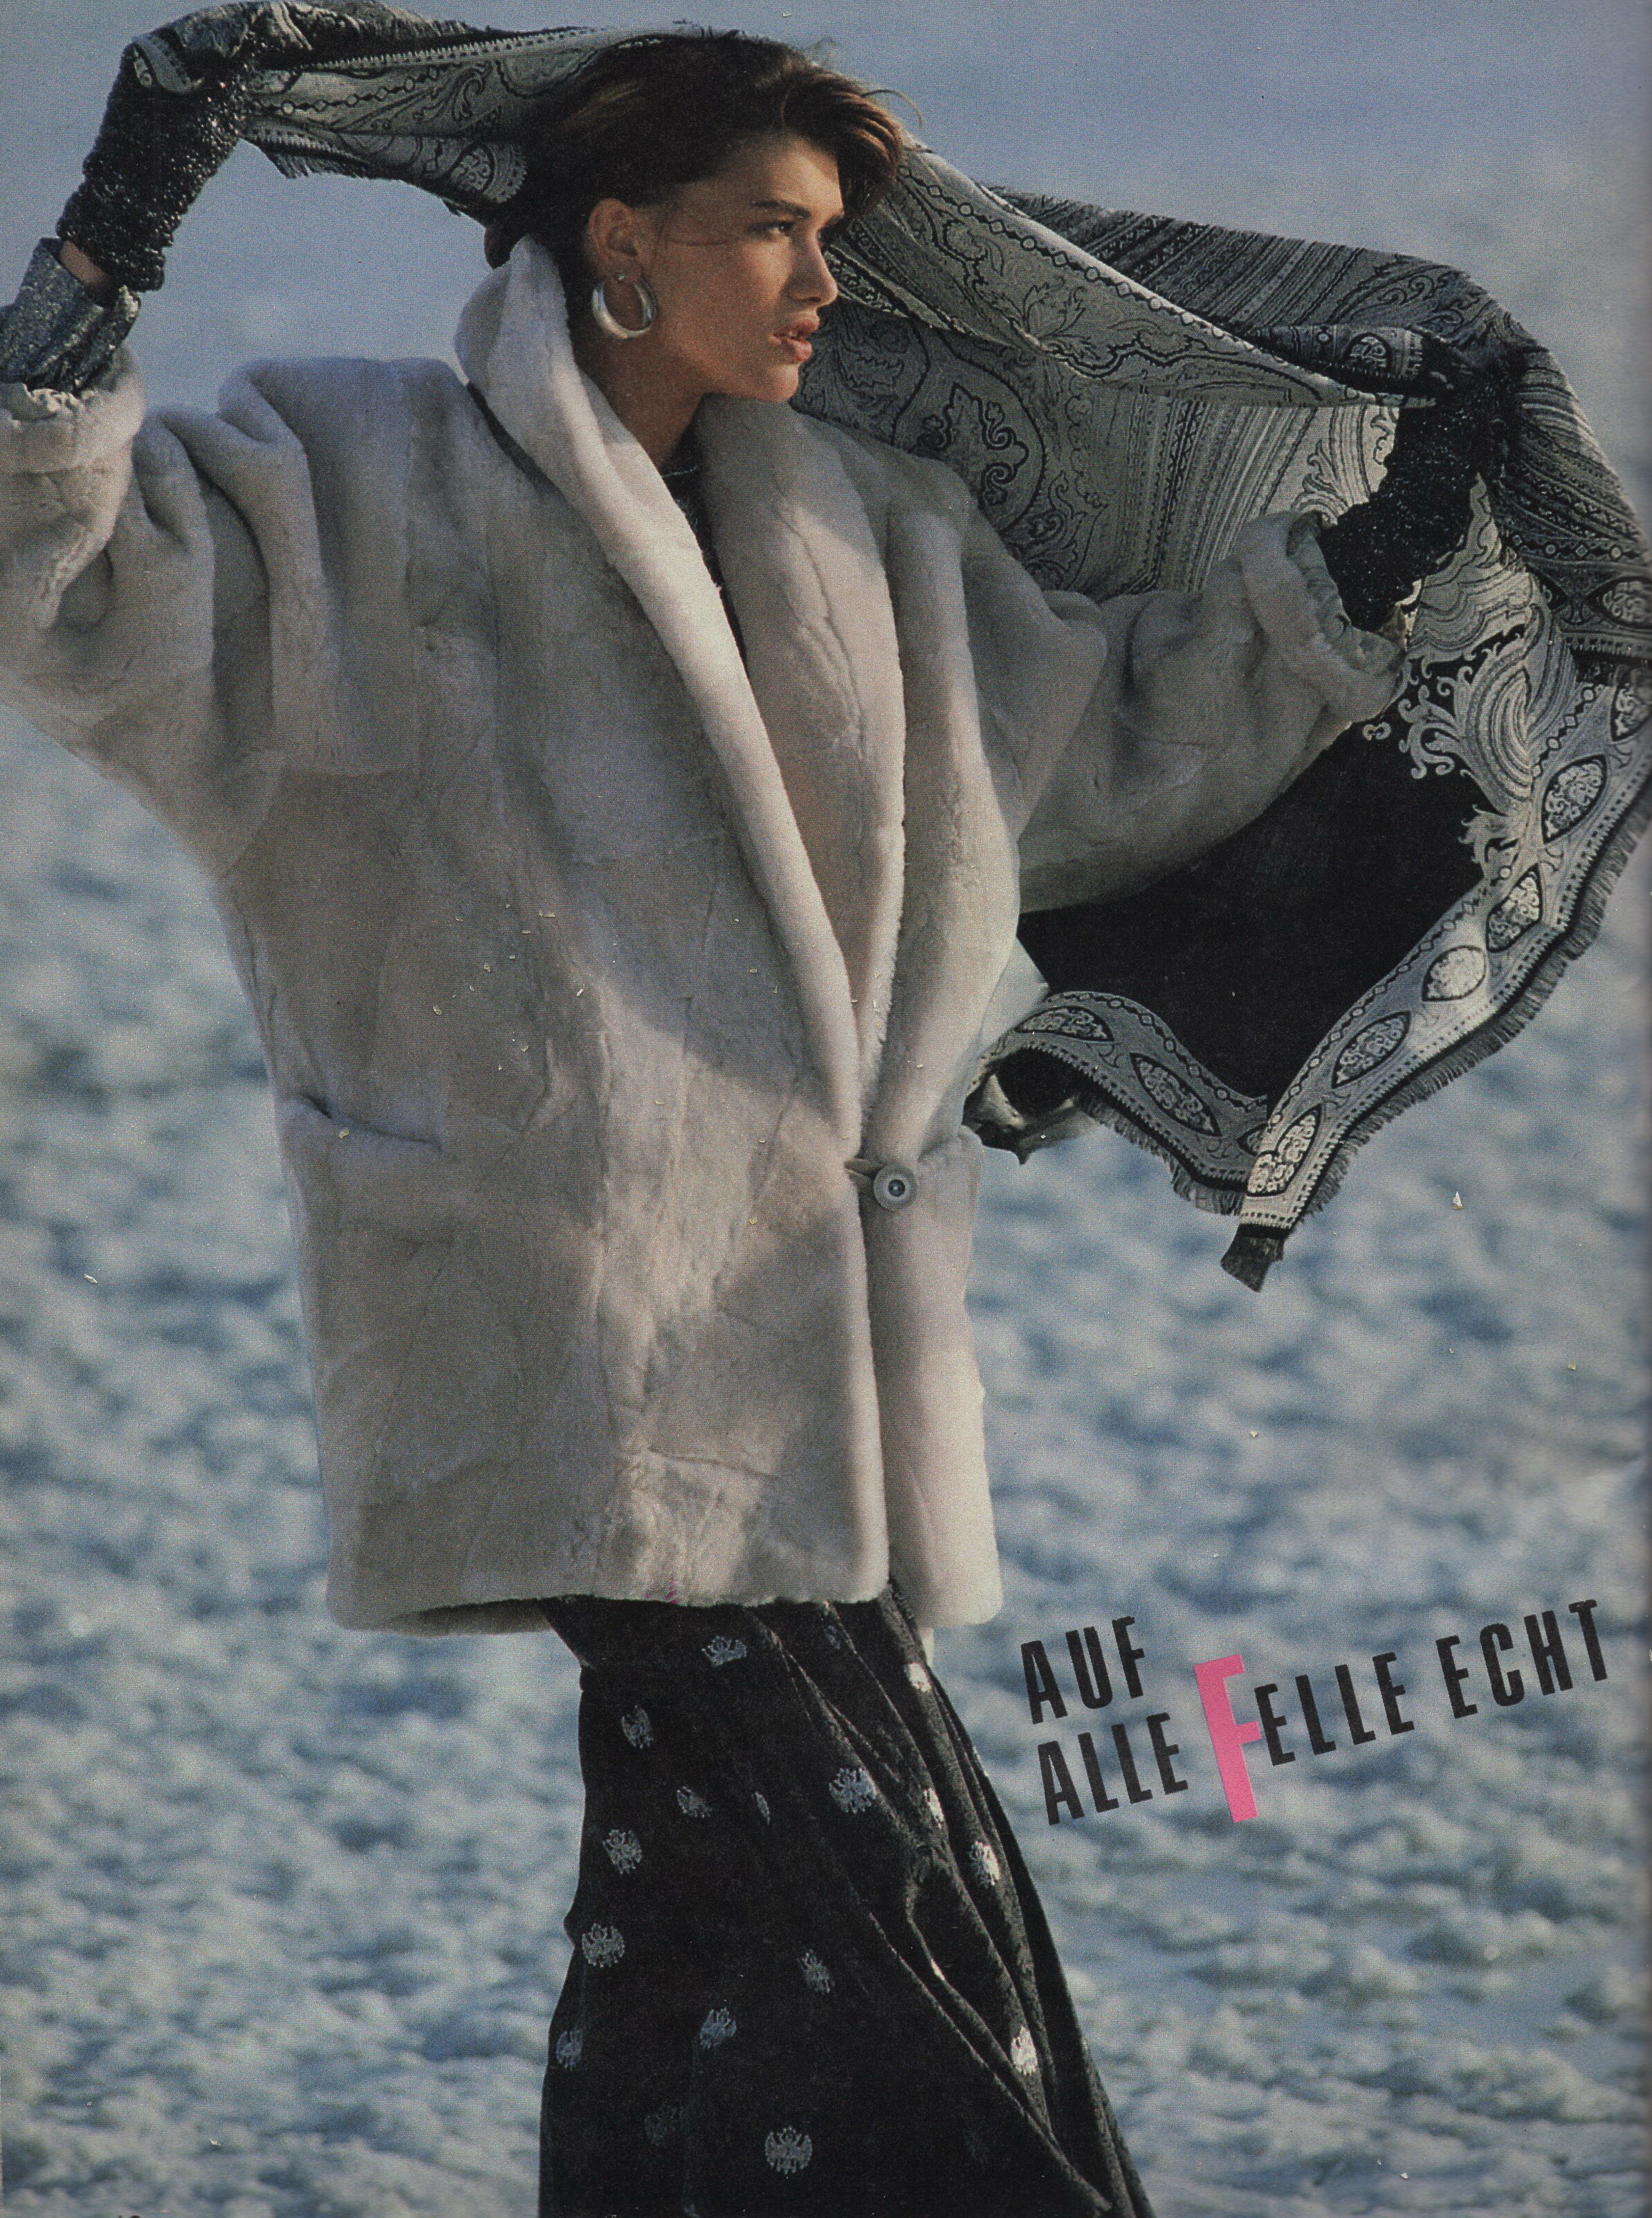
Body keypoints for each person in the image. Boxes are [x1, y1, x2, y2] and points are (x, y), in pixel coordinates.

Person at [0, 14, 1550, 2217]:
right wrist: (113, 229)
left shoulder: (870, 532)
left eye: (834, 240)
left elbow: (1101, 753)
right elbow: (54, 583)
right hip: (563, 1340)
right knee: (904, 1913)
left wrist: (1360, 570)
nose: (823, 283)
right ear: (623, 241)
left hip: (820, 1361)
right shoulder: (346, 485)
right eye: (774, 232)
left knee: (702, 1949)